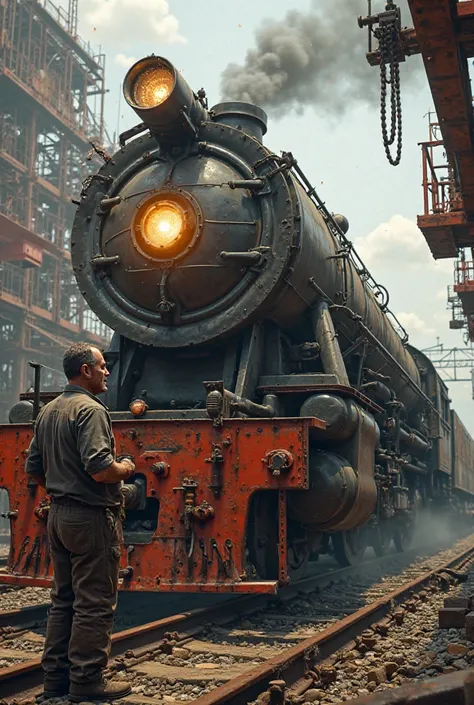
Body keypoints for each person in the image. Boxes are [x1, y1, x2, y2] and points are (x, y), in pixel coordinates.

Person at [26, 343, 136, 702]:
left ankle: (55, 681)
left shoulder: (49, 411)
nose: (107, 371)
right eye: (102, 366)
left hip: (59, 515)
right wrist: (126, 468)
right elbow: (101, 468)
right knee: (94, 601)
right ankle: (87, 681)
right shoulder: (90, 411)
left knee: (63, 601)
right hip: (90, 517)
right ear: (85, 371)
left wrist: (63, 489)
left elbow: (33, 469)